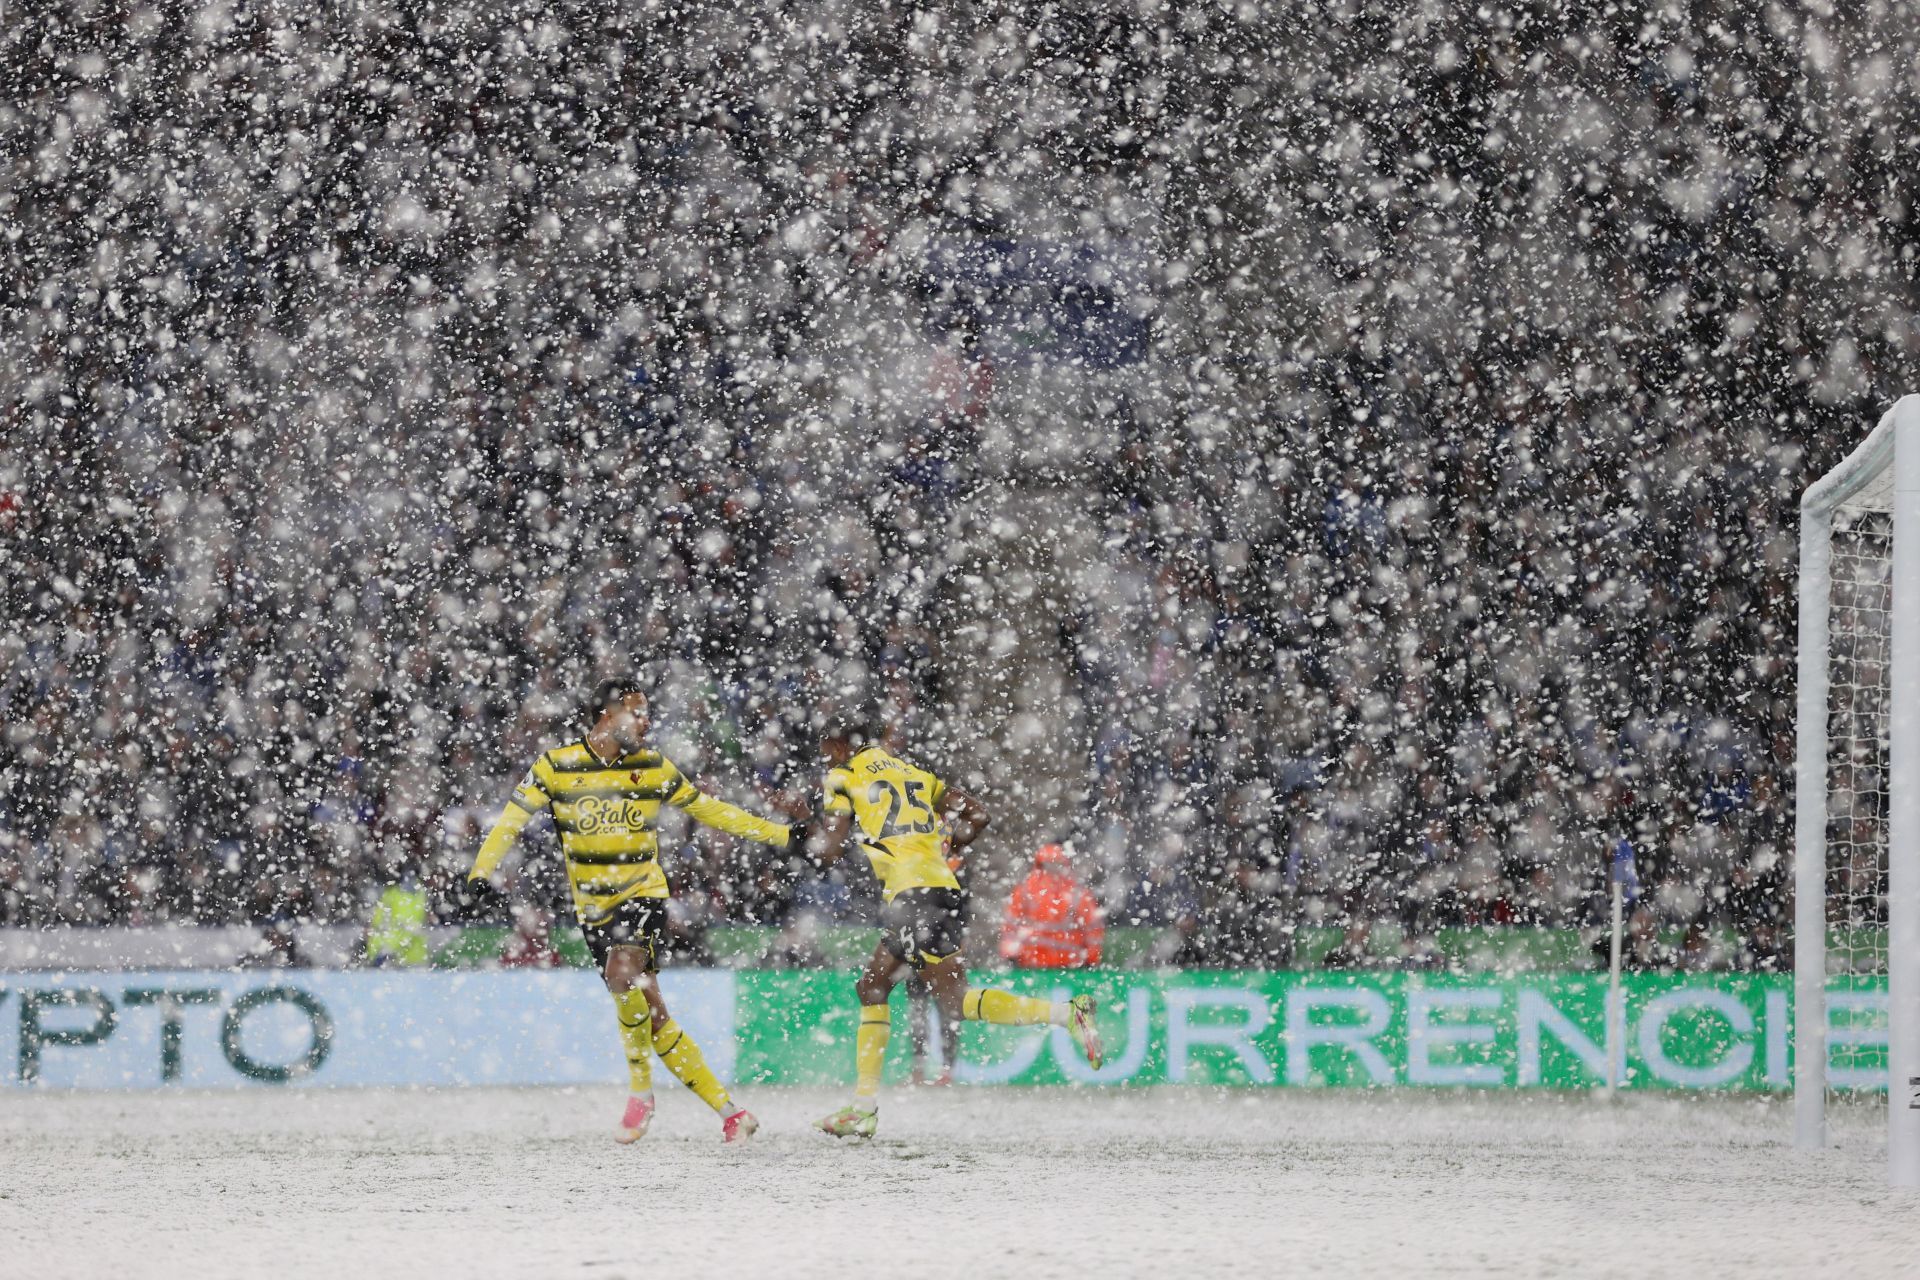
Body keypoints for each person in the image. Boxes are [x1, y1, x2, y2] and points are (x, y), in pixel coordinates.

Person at [467, 674, 799, 1145]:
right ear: (608, 712)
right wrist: (481, 872)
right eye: (637, 711)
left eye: (647, 712)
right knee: (654, 1015)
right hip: (592, 911)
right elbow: (510, 822)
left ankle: (641, 1094)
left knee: (625, 969)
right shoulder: (556, 766)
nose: (646, 722)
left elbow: (710, 809)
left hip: (643, 894)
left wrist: (782, 835)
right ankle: (731, 1112)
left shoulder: (653, 767)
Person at [809, 716, 1102, 1139]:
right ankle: (862, 1107)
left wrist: (802, 831)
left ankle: (1066, 1014)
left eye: (825, 747)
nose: (823, 756)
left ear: (839, 747)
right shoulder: (914, 773)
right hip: (936, 888)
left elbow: (831, 850)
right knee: (871, 986)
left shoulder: (841, 777)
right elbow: (979, 815)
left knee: (954, 999)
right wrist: (949, 845)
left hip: (911, 896)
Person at [998, 842, 1104, 969]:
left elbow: (1093, 928)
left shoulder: (1077, 893)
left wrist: (1092, 956)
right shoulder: (1026, 891)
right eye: (1049, 864)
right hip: (1043, 963)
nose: (1052, 869)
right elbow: (1010, 925)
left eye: (1056, 864)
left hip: (1060, 964)